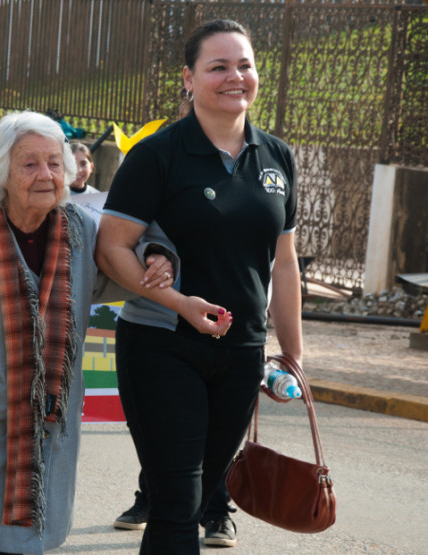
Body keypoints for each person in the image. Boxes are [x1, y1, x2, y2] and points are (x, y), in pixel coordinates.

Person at [0, 111, 177, 555]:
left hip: (53, 425)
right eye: (29, 164)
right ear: (1, 172)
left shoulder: (82, 232)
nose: (45, 175)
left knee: (38, 541)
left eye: (54, 163)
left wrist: (155, 254)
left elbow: (124, 257)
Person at [95, 19, 303, 554]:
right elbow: (112, 248)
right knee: (175, 506)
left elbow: (284, 265)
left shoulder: (278, 157)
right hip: (163, 346)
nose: (235, 76)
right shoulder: (157, 155)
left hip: (242, 355)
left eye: (245, 65)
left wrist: (293, 354)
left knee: (200, 498)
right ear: (189, 79)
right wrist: (177, 303)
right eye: (218, 67)